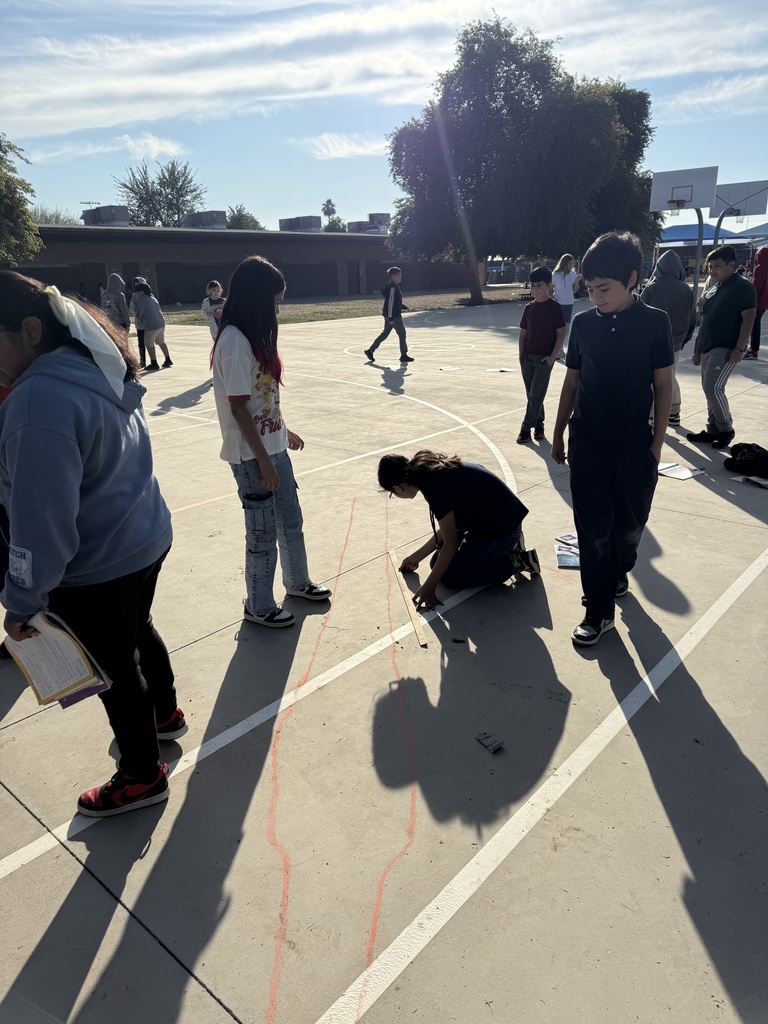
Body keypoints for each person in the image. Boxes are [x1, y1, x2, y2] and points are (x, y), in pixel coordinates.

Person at [0, 271, 184, 817]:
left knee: (113, 670)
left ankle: (141, 776)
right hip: (144, 538)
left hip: (98, 562)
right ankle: (165, 715)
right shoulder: (93, 366)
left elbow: (42, 523)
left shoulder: (39, 400)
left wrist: (21, 600)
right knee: (136, 630)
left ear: (30, 330)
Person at [551, 232, 673, 647]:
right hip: (588, 444)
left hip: (634, 446)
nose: (596, 296)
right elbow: (571, 382)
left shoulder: (656, 322)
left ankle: (619, 569)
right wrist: (558, 429)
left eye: (604, 288)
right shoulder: (583, 325)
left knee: (628, 525)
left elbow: (663, 386)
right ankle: (597, 610)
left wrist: (656, 444)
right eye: (590, 289)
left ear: (633, 279)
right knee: (593, 529)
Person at [211, 255, 330, 628]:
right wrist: (263, 462)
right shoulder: (233, 341)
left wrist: (283, 429)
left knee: (290, 522)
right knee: (261, 534)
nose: (278, 308)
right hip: (251, 458)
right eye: (275, 301)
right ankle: (258, 605)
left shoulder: (256, 336)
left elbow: (265, 399)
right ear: (256, 298)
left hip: (273, 447)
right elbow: (241, 410)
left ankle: (297, 583)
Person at [377, 450, 538, 612]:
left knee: (451, 579)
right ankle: (510, 549)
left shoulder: (434, 487)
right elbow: (450, 530)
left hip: (501, 531)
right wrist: (416, 557)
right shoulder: (429, 471)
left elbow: (451, 542)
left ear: (397, 488)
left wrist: (429, 586)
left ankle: (518, 561)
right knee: (436, 564)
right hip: (492, 522)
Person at [686, 246, 757, 449]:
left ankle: (726, 429)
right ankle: (712, 429)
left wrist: (739, 349)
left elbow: (749, 317)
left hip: (726, 347)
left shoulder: (742, 286)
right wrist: (698, 348)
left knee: (713, 387)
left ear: (731, 265)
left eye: (717, 266)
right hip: (708, 345)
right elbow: (706, 318)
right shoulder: (716, 287)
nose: (712, 270)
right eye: (710, 266)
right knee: (709, 389)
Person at [640, 250, 696, 425]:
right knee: (670, 375)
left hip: (651, 342)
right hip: (675, 341)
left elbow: (639, 314)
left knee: (651, 378)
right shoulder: (686, 290)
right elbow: (692, 317)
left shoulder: (650, 289)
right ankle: (673, 411)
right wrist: (686, 338)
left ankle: (653, 412)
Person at [517, 266, 566, 444]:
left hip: (544, 359)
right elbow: (523, 334)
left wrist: (552, 357)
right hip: (527, 358)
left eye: (539, 285)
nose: (535, 289)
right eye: (532, 285)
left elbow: (561, 333)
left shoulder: (555, 308)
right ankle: (539, 426)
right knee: (533, 395)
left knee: (536, 394)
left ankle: (525, 428)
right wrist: (521, 356)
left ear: (549, 286)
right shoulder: (529, 308)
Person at [364, 267, 412, 363]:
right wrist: (390, 317)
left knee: (385, 334)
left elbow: (394, 302)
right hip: (393, 316)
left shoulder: (392, 287)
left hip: (389, 315)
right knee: (402, 334)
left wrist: (402, 306)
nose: (400, 277)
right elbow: (390, 303)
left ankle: (370, 351)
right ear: (392, 276)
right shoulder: (393, 288)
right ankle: (403, 355)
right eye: (398, 275)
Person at [132, 282, 173, 371]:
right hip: (161, 323)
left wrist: (139, 319)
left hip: (152, 325)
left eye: (137, 292)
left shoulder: (142, 301)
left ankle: (154, 363)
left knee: (149, 343)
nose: (136, 294)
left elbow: (139, 315)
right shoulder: (153, 298)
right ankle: (168, 359)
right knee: (161, 341)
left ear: (142, 291)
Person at [746, 245, 767, 358]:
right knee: (756, 323)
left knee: (753, 325)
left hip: (757, 299)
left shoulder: (759, 268)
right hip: (765, 300)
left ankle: (753, 349)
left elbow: (755, 286)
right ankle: (753, 349)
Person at [552, 254, 582, 326]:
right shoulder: (555, 275)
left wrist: (577, 281)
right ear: (564, 263)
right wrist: (553, 300)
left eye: (572, 263)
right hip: (558, 303)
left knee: (567, 326)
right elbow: (549, 289)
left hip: (569, 303)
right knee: (557, 325)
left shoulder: (573, 274)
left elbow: (574, 290)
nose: (571, 265)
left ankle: (563, 338)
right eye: (570, 263)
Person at [129, 276, 148, 368]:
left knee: (150, 343)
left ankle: (153, 360)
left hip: (149, 323)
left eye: (138, 283)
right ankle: (142, 361)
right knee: (141, 343)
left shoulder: (149, 295)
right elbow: (131, 308)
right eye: (135, 284)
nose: (136, 285)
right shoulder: (134, 296)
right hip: (140, 324)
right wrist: (138, 312)